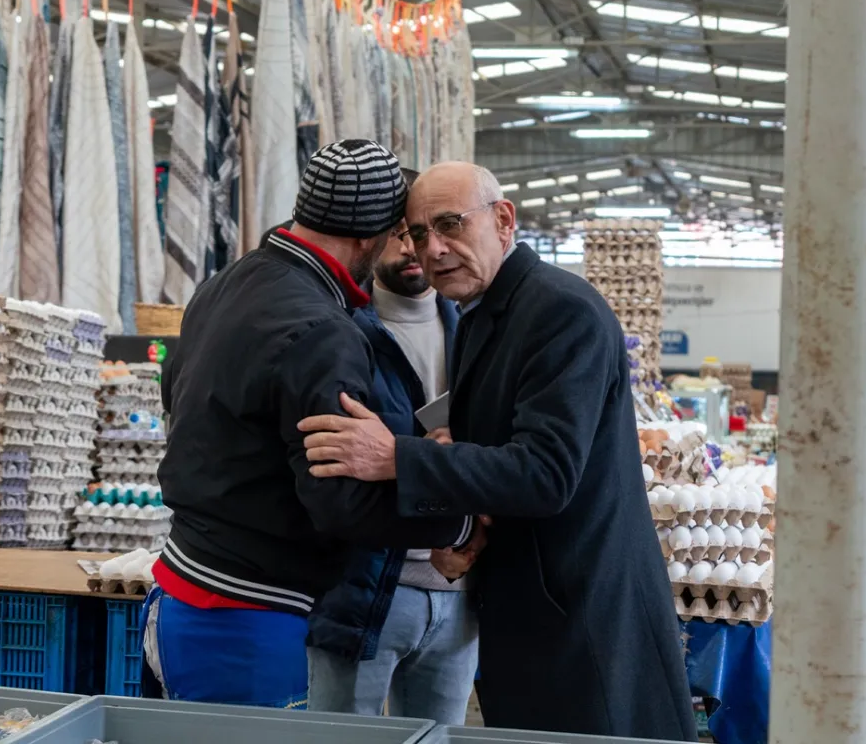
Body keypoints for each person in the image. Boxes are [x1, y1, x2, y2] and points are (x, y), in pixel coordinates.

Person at [297, 161, 698, 740]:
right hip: (526, 606)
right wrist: (468, 531)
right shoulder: (482, 314)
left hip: (582, 617)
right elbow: (497, 454)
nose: (433, 249)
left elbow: (545, 473)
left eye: (451, 224)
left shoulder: (560, 312)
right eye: (418, 233)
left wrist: (398, 457)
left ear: (504, 220)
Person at [141, 142, 474, 708]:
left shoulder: (227, 283)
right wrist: (458, 524)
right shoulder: (323, 330)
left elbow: (175, 391)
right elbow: (339, 501)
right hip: (248, 618)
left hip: (181, 591)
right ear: (373, 236)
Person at [305, 168, 480, 724]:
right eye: (402, 233)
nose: (414, 249)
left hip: (457, 589)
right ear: (373, 237)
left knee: (440, 738)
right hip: (365, 589)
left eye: (427, 233)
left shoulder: (475, 328)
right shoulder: (340, 332)